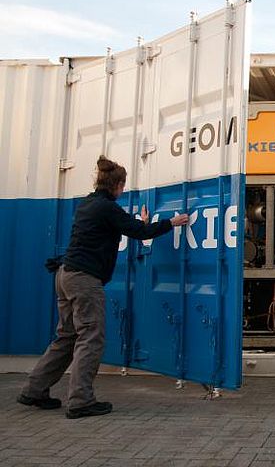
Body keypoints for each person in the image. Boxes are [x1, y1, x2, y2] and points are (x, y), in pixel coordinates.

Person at [17, 156, 189, 419]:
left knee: (67, 336)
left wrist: (140, 224)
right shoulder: (108, 208)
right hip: (84, 279)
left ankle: (34, 389)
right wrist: (171, 223)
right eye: (123, 186)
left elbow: (128, 227)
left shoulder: (89, 204)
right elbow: (139, 234)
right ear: (118, 185)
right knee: (90, 337)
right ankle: (81, 401)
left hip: (65, 275)